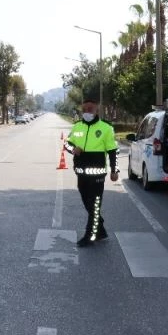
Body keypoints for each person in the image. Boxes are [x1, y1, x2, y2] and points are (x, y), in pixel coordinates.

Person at [64, 98, 119, 247]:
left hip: (97, 174)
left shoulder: (106, 128)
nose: (88, 111)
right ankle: (100, 226)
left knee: (94, 205)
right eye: (85, 109)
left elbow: (113, 150)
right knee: (87, 203)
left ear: (97, 109)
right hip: (81, 173)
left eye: (91, 109)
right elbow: (67, 144)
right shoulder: (77, 127)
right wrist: (72, 149)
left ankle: (90, 235)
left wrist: (115, 170)